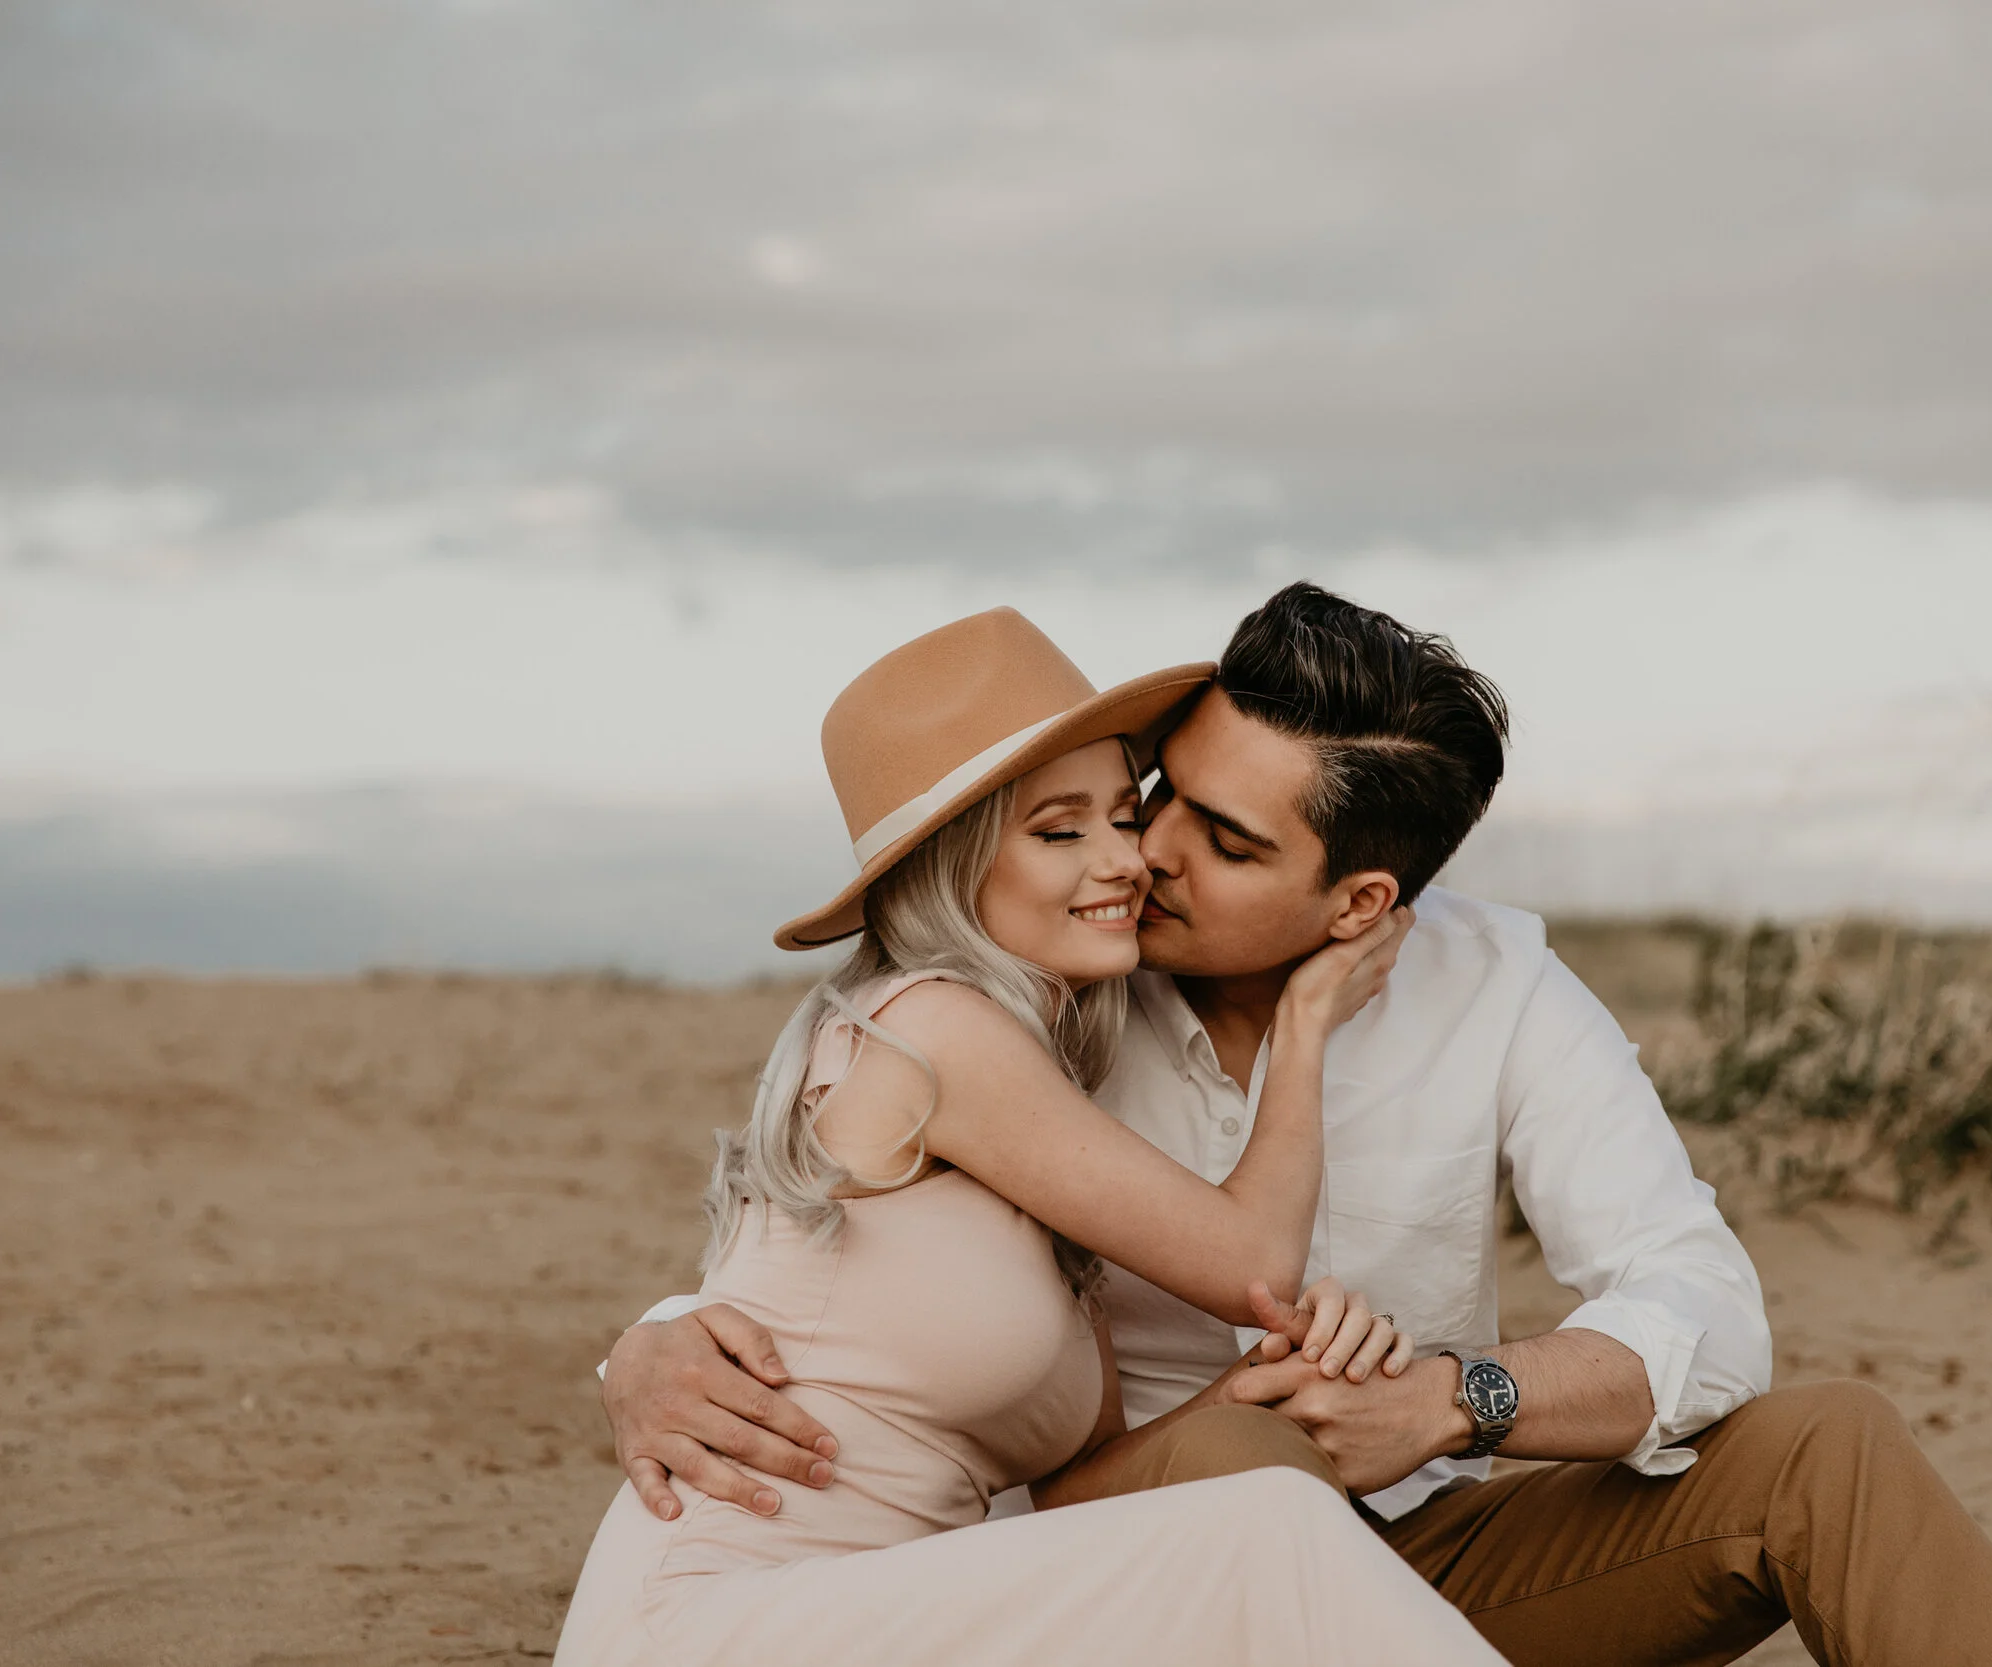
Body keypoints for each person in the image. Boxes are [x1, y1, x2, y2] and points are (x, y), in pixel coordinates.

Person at [604, 582, 1992, 1667]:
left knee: (1824, 1446)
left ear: (1358, 899)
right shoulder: (1049, 991)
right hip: (1123, 1553)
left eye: (1221, 838)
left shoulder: (1496, 987)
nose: (1147, 854)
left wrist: (1458, 1400)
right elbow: (836, 1247)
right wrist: (656, 1338)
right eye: (1153, 798)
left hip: (1426, 1535)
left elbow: (1702, 1303)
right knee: (1255, 1455)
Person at [552, 606, 1505, 1666]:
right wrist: (1307, 1020)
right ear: (953, 864)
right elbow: (1255, 1263)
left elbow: (1085, 1484)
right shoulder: (933, 1030)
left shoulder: (1035, 1116)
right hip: (720, 1618)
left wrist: (1250, 1398)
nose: (1128, 860)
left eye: (1124, 814)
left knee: (1255, 1513)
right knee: (1269, 1529)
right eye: (1060, 831)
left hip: (890, 1616)